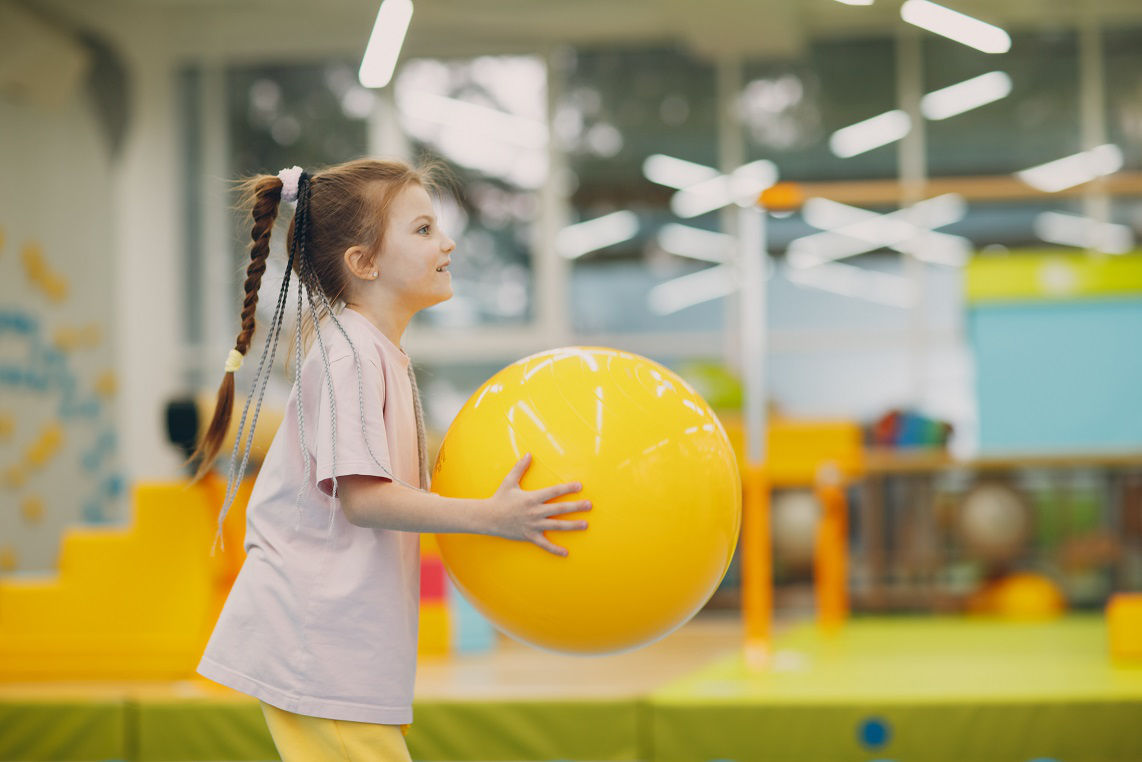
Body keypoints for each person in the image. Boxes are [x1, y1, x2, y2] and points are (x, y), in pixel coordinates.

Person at [188, 159, 591, 761]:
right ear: (365, 263)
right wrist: (494, 516)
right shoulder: (348, 353)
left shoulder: (375, 353)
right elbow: (365, 498)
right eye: (424, 229)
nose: (448, 242)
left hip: (339, 647)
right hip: (316, 644)